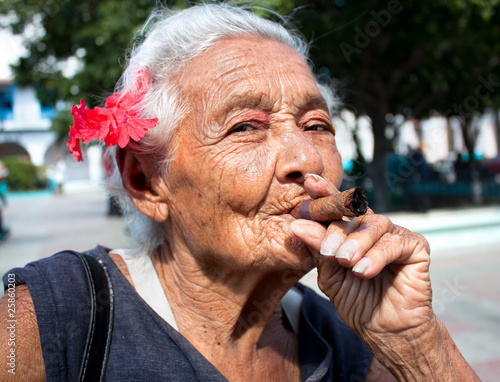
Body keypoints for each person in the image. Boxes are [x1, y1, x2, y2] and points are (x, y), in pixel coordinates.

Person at [0, 4, 479, 381]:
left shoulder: (342, 335)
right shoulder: (41, 313)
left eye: (317, 125)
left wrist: (417, 347)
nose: (307, 159)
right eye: (246, 126)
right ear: (147, 182)